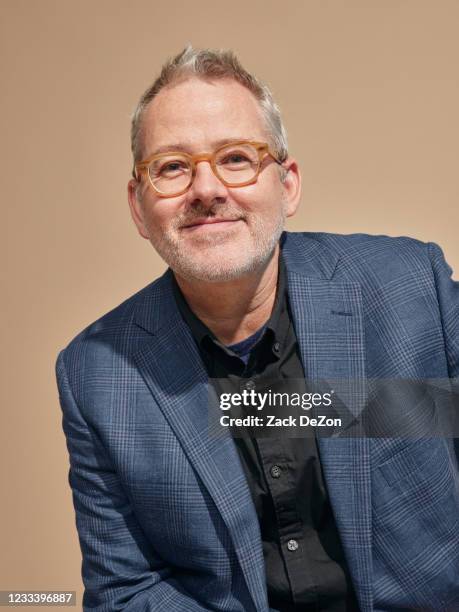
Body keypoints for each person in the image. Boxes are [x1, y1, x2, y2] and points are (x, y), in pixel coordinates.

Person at [56, 46, 459, 612]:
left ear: (287, 184)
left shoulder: (412, 289)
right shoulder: (95, 372)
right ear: (139, 207)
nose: (206, 189)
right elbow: (127, 590)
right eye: (171, 167)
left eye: (237, 158)